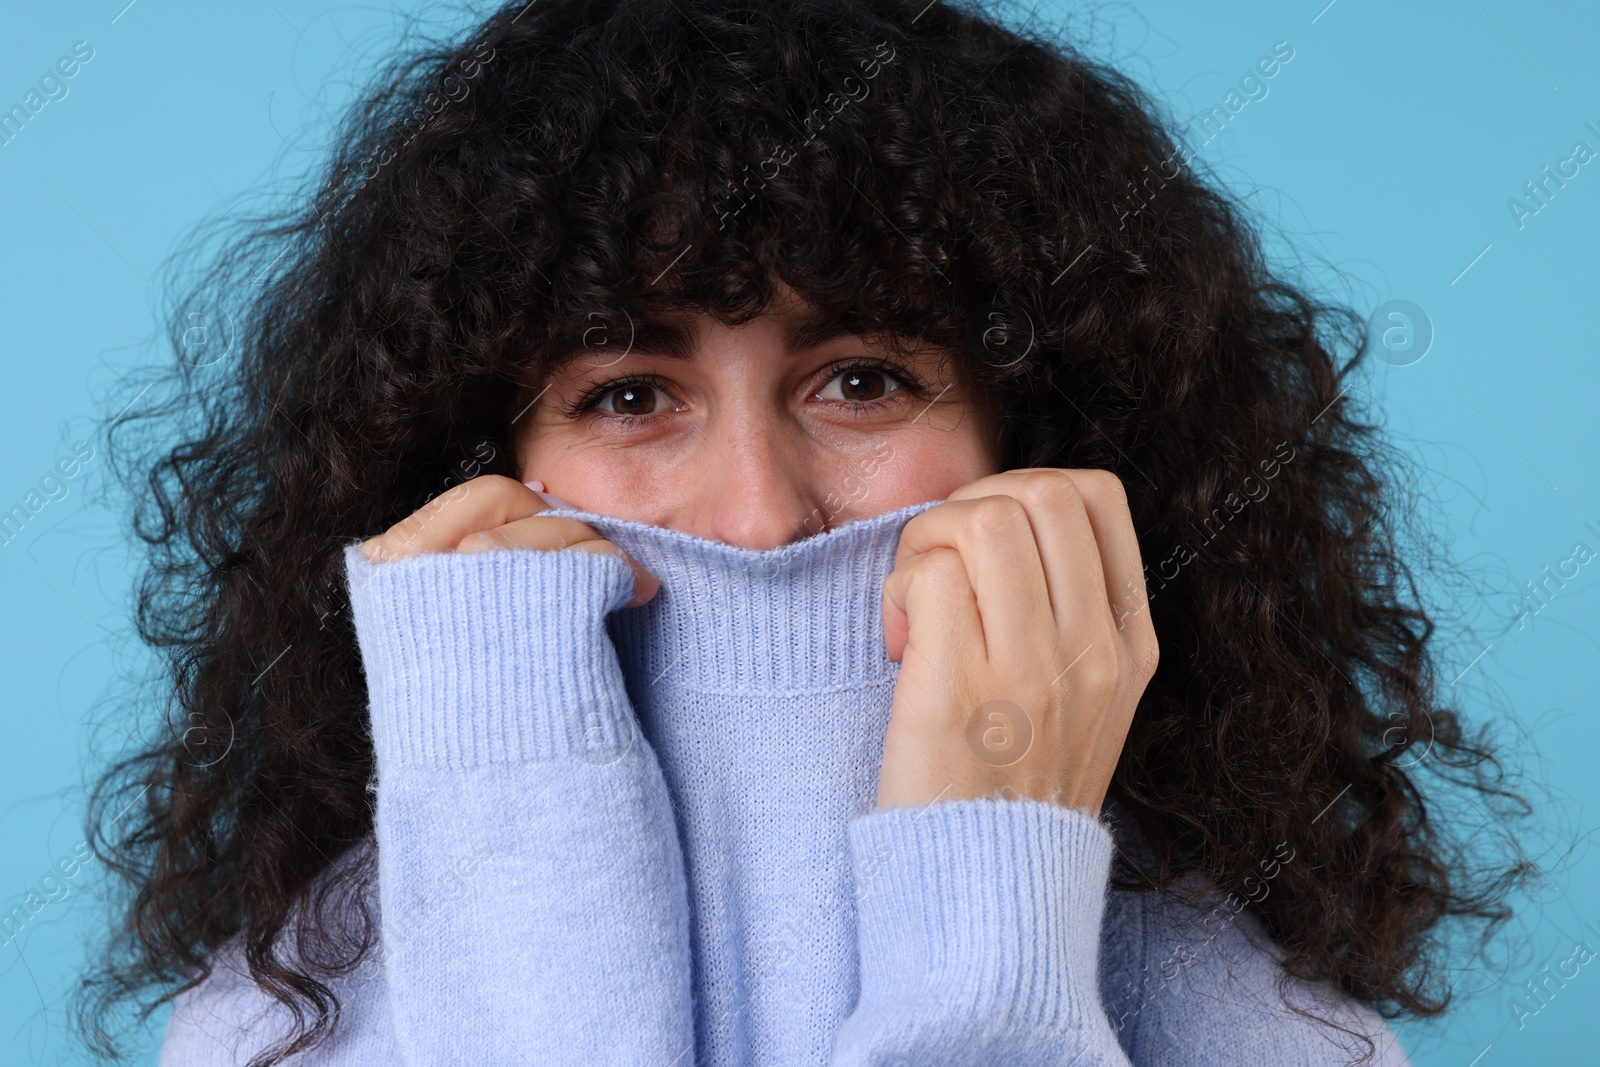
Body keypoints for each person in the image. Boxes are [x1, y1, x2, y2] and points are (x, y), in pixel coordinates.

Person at [77, 1, 1528, 1064]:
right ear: (481, 459)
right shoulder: (278, 1030)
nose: (761, 518)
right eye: (631, 393)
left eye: (862, 382)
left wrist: (995, 858)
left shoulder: (1258, 1032)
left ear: (1041, 440)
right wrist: (503, 796)